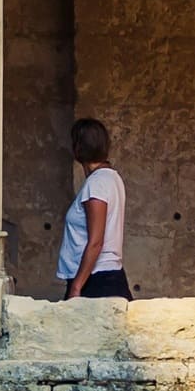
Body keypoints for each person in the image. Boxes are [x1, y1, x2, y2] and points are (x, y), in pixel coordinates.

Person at [56, 118, 130, 298]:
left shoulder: (96, 184)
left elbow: (96, 241)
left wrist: (76, 287)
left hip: (95, 281)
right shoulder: (112, 178)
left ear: (78, 148)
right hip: (107, 277)